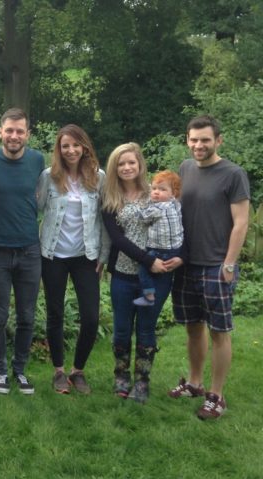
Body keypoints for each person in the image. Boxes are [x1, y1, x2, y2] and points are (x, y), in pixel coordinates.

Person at [166, 115, 250, 420]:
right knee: (193, 328)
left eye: (205, 140)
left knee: (219, 332)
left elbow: (241, 222)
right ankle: (195, 383)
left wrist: (229, 263)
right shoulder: (186, 169)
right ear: (187, 140)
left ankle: (217, 395)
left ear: (218, 141)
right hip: (186, 264)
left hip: (217, 265)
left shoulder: (233, 174)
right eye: (193, 139)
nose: (199, 145)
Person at [0, 108, 44, 395]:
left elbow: (43, 193)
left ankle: (20, 370)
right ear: (0, 132)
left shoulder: (37, 160)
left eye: (20, 131)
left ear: (27, 134)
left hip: (29, 249)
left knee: (27, 316)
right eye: (9, 130)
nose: (14, 136)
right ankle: (1, 372)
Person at [37, 124, 107, 395]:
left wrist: (103, 254)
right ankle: (58, 371)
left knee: (90, 316)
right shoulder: (48, 176)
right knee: (55, 314)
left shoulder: (98, 178)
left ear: (84, 147)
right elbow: (34, 207)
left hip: (86, 256)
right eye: (65, 146)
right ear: (59, 149)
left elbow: (104, 217)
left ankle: (78, 371)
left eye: (75, 145)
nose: (70, 150)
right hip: (53, 254)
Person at [101, 143, 170, 403]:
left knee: (146, 329)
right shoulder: (110, 200)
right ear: (114, 168)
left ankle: (142, 381)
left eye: (131, 162)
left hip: (156, 277)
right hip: (123, 275)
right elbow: (117, 239)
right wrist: (146, 260)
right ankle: (121, 376)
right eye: (121, 164)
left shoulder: (156, 194)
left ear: (140, 164)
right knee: (121, 329)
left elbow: (176, 224)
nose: (127, 167)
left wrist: (176, 257)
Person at [133, 170, 184, 307]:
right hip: (175, 250)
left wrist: (138, 204)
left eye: (162, 189)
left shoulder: (158, 208)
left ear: (173, 193)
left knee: (143, 271)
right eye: (154, 188)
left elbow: (141, 217)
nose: (156, 192)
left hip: (159, 249)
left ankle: (149, 297)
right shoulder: (175, 204)